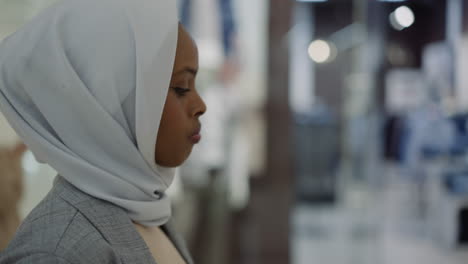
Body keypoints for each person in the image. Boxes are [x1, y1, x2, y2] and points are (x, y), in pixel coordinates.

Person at [0, 0, 206, 263]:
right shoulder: (55, 251)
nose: (201, 106)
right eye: (181, 87)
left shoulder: (145, 212)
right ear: (111, 107)